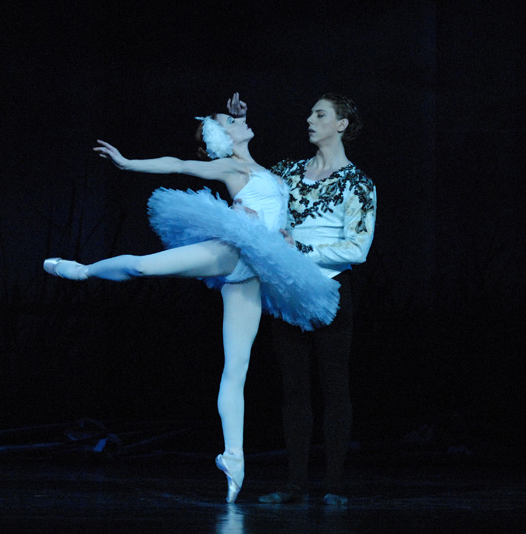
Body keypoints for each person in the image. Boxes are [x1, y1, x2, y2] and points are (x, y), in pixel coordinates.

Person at [42, 111, 340, 504]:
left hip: (256, 271)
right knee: (143, 266)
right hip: (233, 250)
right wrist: (129, 163)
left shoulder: (262, 169)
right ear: (223, 138)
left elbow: (275, 210)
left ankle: (234, 457)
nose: (241, 120)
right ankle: (83, 271)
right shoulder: (231, 166)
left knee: (237, 367)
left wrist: (284, 233)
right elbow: (179, 164)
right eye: (230, 122)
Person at [228, 93, 376, 506]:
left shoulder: (358, 183)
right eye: (310, 112)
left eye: (320, 114)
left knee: (334, 385)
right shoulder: (289, 172)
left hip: (330, 288)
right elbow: (248, 173)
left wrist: (301, 250)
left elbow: (358, 247)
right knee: (293, 387)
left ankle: (334, 486)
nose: (310, 119)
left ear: (341, 124)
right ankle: (295, 483)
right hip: (288, 289)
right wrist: (239, 126)